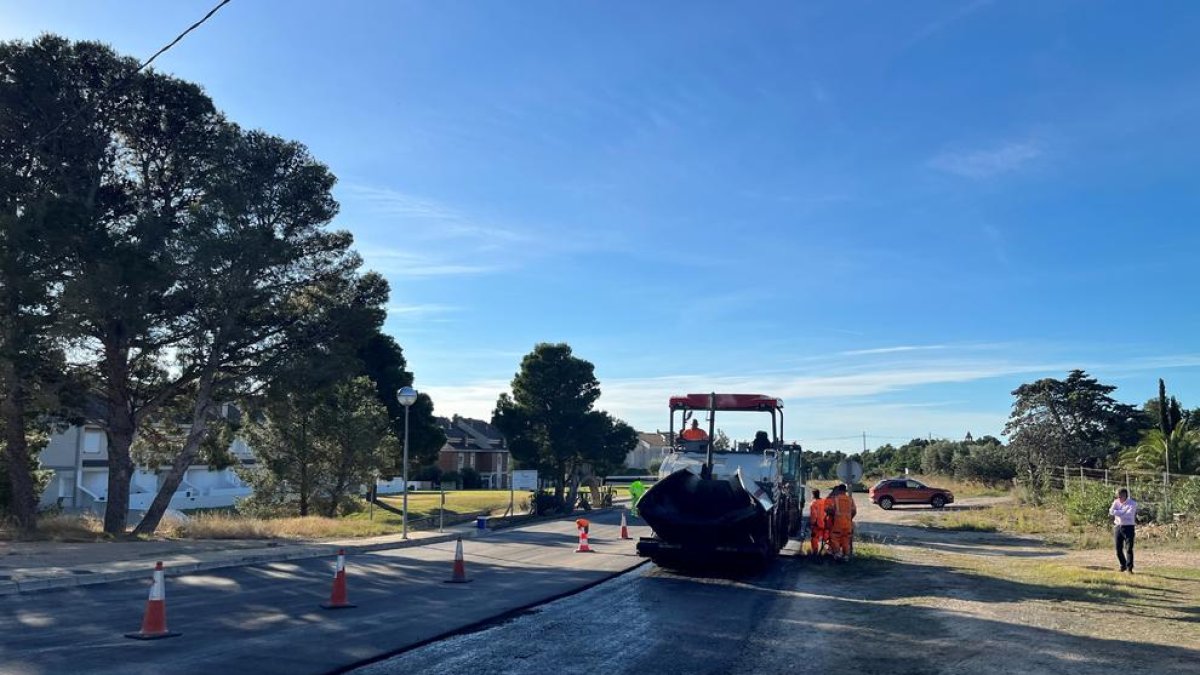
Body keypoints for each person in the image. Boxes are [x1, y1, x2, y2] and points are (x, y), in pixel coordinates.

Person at [825, 483, 857, 561]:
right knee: (846, 539)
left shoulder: (835, 499)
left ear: (839, 490)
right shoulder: (850, 499)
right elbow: (854, 511)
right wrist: (849, 518)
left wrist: (830, 513)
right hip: (848, 525)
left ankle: (837, 554)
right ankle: (846, 556)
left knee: (834, 538)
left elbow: (830, 509)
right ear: (845, 491)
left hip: (838, 524)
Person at [1109, 488, 1138, 573]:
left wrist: (1117, 512)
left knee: (1129, 549)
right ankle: (1123, 565)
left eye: (1120, 496)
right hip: (1118, 527)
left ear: (1125, 495)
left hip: (1129, 527)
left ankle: (1129, 568)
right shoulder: (1116, 502)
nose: (1119, 498)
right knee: (1118, 549)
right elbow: (1111, 511)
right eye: (1117, 496)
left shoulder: (1132, 503)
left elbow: (1129, 514)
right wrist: (1122, 512)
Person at [808, 489, 827, 556]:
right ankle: (828, 552)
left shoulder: (813, 504)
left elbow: (814, 515)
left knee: (814, 538)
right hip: (825, 524)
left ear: (813, 495)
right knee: (827, 538)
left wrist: (812, 523)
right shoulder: (824, 502)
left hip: (817, 525)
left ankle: (815, 552)